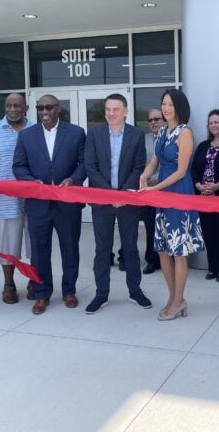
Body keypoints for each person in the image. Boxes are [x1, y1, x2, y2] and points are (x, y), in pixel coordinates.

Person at [12, 94, 87, 315]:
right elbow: (18, 166)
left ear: (58, 109)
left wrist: (73, 179)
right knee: (39, 252)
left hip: (68, 204)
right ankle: (42, 293)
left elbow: (84, 163)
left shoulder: (76, 133)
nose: (44, 111)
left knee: (70, 249)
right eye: (40, 107)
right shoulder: (26, 136)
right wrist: (30, 181)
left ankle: (69, 291)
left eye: (48, 107)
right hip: (38, 204)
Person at [140, 89, 204, 321]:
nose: (166, 108)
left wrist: (155, 188)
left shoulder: (184, 132)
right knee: (163, 250)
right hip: (161, 195)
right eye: (163, 104)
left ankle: (178, 301)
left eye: (170, 104)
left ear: (179, 107)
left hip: (178, 194)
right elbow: (155, 160)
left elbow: (181, 171)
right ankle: (173, 297)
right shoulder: (163, 132)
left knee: (178, 252)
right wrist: (145, 175)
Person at [83, 94, 151, 314]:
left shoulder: (136, 134)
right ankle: (101, 294)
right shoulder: (94, 133)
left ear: (125, 111)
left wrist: (122, 195)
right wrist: (110, 194)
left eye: (116, 109)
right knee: (102, 249)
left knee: (130, 248)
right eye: (108, 109)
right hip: (102, 202)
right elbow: (90, 166)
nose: (111, 113)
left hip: (128, 202)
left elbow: (139, 165)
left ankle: (135, 291)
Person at [0, 93, 34, 304]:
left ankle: (33, 282)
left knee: (36, 243)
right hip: (3, 201)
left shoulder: (36, 130)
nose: (12, 109)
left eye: (17, 106)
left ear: (25, 108)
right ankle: (8, 285)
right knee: (6, 246)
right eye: (8, 106)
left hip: (33, 198)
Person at [191, 109, 219, 281]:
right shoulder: (203, 145)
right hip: (204, 198)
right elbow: (194, 168)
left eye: (216, 122)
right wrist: (198, 185)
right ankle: (213, 266)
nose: (213, 125)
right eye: (211, 123)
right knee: (209, 233)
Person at [141, 108, 165, 274]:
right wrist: (145, 178)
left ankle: (167, 260)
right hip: (148, 191)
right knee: (150, 227)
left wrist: (156, 178)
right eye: (150, 120)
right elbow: (140, 161)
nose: (154, 122)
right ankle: (152, 260)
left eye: (157, 119)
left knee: (165, 227)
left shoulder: (172, 138)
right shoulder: (144, 140)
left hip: (167, 189)